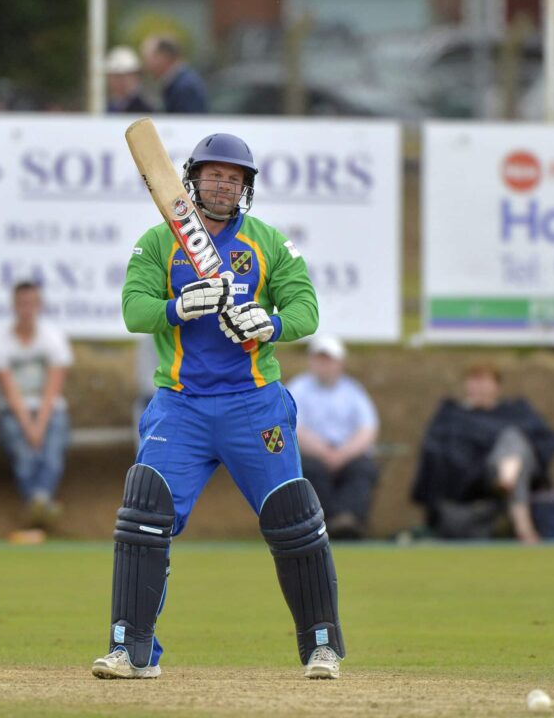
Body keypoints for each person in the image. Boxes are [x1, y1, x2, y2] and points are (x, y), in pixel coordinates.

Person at [91, 132, 345, 681]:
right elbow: (134, 310)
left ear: (245, 187)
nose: (224, 185)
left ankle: (322, 646)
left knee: (293, 520)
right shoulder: (159, 242)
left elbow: (306, 308)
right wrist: (177, 307)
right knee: (144, 515)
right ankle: (130, 650)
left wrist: (269, 322)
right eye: (214, 175)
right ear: (193, 178)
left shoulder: (267, 242)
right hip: (180, 405)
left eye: (234, 178)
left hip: (254, 404)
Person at [411, 361, 554, 544]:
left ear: (497, 385)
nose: (480, 387)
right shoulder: (453, 414)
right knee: (513, 451)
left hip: (522, 469)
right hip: (479, 475)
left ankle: (508, 477)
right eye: (475, 381)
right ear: (467, 384)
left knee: (514, 441)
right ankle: (524, 527)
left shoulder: (515, 411)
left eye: (485, 381)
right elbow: (440, 450)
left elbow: (542, 439)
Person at [0, 281, 73, 529]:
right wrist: (29, 427)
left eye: (32, 303)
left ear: (39, 305)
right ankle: (40, 504)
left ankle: (37, 502)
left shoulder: (54, 337)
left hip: (49, 410)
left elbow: (53, 388)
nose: (27, 309)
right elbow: (9, 392)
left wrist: (39, 425)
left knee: (52, 451)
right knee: (24, 453)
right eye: (22, 303)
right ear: (14, 306)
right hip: (13, 412)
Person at [288, 335, 379, 540]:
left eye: (328, 360)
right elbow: (293, 426)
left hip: (347, 452)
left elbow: (368, 428)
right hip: (311, 453)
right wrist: (323, 452)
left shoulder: (353, 391)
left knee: (363, 469)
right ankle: (323, 520)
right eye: (319, 359)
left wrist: (343, 454)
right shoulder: (298, 388)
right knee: (310, 470)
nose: (324, 365)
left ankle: (348, 519)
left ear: (340, 363)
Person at [140, 34, 208, 114]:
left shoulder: (185, 87)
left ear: (164, 57)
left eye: (149, 58)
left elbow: (189, 120)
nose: (146, 64)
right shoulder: (178, 82)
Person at [105, 45, 154, 113]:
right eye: (117, 76)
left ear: (136, 76)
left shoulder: (147, 106)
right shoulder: (106, 106)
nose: (121, 81)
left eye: (126, 75)